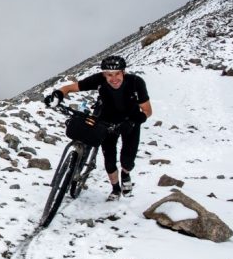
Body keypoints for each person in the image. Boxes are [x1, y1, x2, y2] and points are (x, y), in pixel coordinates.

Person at [44, 55, 152, 200]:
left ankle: (125, 174)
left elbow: (147, 110)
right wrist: (57, 95)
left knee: (127, 159)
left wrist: (133, 121)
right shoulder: (99, 80)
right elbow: (70, 88)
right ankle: (115, 189)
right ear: (103, 74)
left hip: (130, 122)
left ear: (123, 72)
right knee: (109, 158)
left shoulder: (135, 83)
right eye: (109, 75)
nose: (114, 78)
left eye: (117, 74)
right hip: (106, 121)